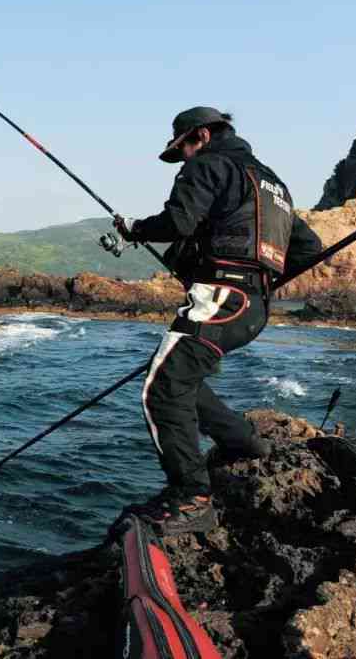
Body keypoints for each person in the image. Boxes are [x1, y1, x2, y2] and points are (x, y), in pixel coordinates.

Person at [111, 106, 322, 536]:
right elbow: (309, 249)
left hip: (222, 298)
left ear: (201, 137)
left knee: (162, 388)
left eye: (184, 148)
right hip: (254, 308)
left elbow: (178, 221)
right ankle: (243, 443)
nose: (185, 158)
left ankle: (192, 499)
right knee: (183, 379)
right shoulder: (272, 184)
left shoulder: (209, 164)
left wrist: (133, 228)